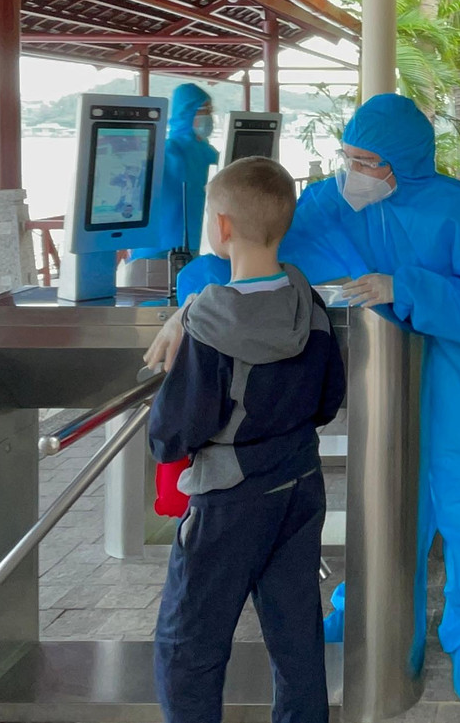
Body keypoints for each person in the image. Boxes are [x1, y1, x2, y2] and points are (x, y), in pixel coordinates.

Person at [150, 93, 460, 706]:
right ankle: (366, 609)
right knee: (387, 506)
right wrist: (190, 305)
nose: (352, 170)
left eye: (366, 160)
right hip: (389, 387)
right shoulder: (331, 204)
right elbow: (247, 251)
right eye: (346, 155)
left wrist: (406, 287)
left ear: (402, 162)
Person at [148, 156, 347, 723]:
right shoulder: (307, 300)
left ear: (223, 226)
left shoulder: (210, 322)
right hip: (300, 484)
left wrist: (186, 314)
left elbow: (173, 433)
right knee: (296, 633)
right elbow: (329, 398)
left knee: (189, 644)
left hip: (228, 499)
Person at [123, 82, 219, 286]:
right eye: (204, 110)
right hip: (155, 254)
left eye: (211, 111)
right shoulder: (164, 152)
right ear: (186, 112)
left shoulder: (210, 154)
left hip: (197, 252)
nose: (209, 117)